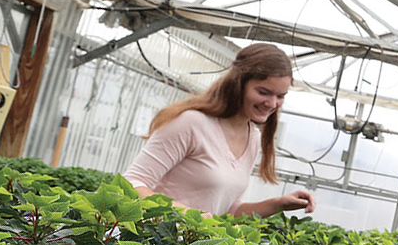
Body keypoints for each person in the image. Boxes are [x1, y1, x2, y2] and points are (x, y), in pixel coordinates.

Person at [123, 43, 316, 217]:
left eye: (280, 96)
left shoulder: (253, 137)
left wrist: (277, 204)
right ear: (238, 84)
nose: (272, 103)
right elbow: (132, 183)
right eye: (263, 92)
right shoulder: (191, 123)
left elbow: (228, 210)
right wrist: (190, 215)